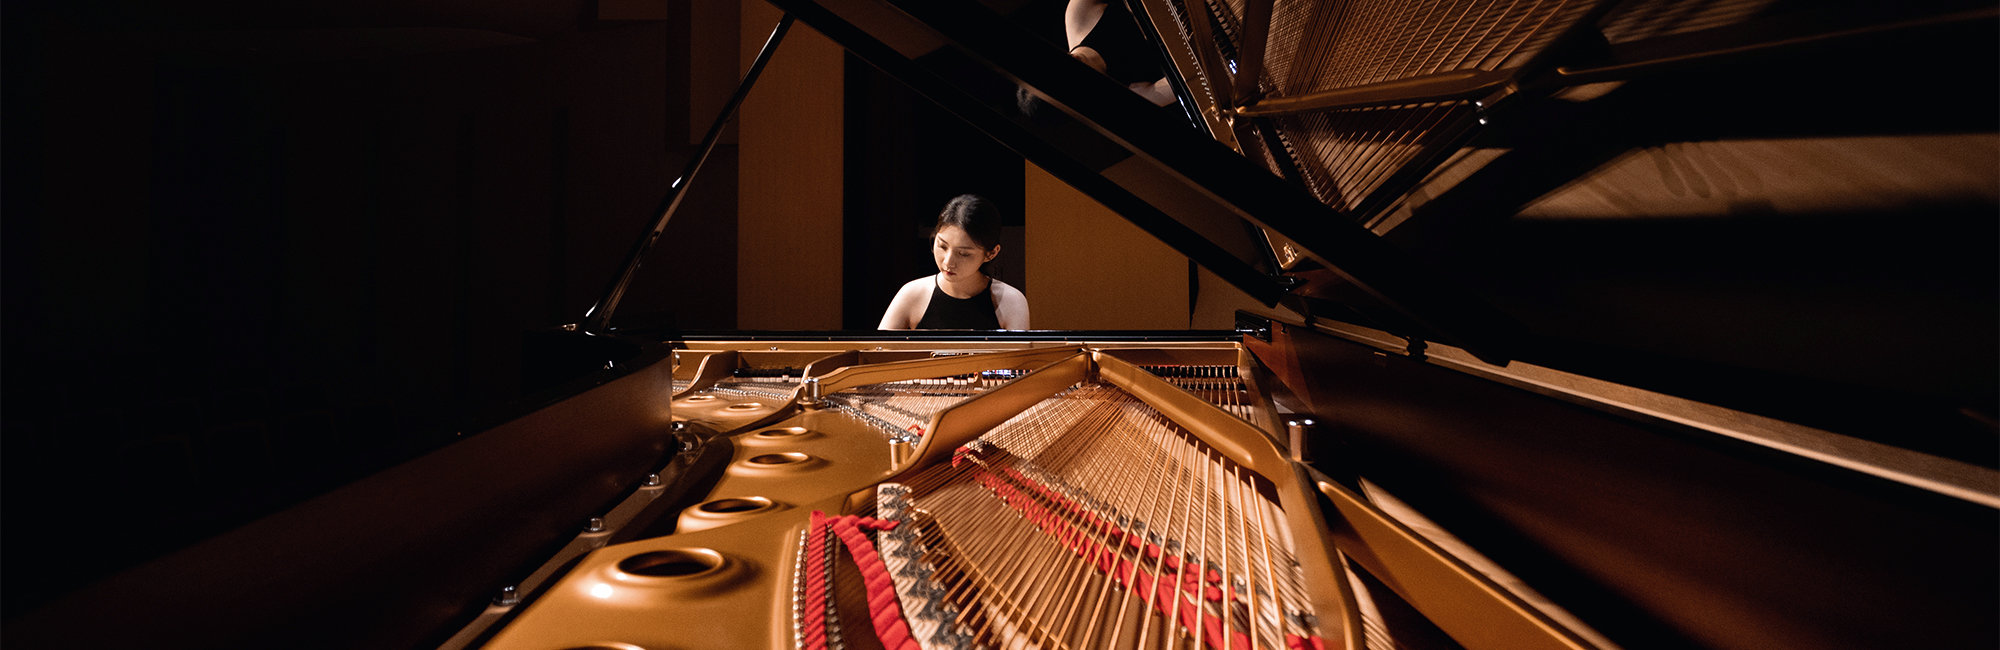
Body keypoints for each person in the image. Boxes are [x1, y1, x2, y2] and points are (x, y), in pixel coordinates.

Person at [878, 195, 1031, 330]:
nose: (948, 261)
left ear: (991, 253)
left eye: (963, 254)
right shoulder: (912, 293)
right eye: (942, 246)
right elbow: (879, 351)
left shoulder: (1011, 301)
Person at [1017, 0, 1177, 116]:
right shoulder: (1126, 97)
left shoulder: (1077, 15)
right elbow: (1188, 77)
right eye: (1066, 76)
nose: (1070, 61)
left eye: (1056, 64)